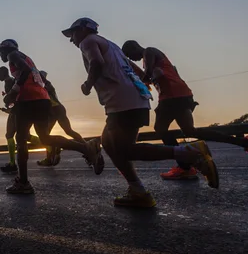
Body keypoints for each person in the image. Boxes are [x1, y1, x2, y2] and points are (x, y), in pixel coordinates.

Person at [62, 17, 218, 207]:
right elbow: (135, 69)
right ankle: (137, 190)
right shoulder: (113, 46)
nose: (71, 39)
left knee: (125, 149)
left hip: (123, 101)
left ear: (85, 30)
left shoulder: (88, 41)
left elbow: (96, 63)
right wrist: (145, 83)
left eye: (73, 34)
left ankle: (189, 152)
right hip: (132, 99)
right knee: (110, 144)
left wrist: (88, 84)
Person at [122, 40, 248, 180]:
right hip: (180, 94)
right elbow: (171, 72)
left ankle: (185, 166)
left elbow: (149, 74)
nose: (131, 58)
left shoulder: (148, 52)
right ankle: (243, 142)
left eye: (129, 55)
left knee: (160, 128)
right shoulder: (151, 58)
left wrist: (133, 76)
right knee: (190, 131)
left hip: (171, 96)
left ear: (134, 47)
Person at [0, 39, 103, 195]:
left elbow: (25, 71)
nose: (1, 56)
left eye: (1, 53)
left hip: (28, 101)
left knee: (21, 140)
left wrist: (13, 92)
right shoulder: (25, 57)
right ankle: (86, 147)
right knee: (45, 138)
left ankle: (23, 182)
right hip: (42, 100)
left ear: (6, 50)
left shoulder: (13, 55)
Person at [37, 70, 92, 168]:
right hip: (57, 109)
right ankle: (86, 147)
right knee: (66, 132)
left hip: (54, 110)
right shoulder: (46, 85)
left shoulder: (46, 85)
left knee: (48, 136)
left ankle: (52, 156)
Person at [0, 67, 41, 173]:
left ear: (3, 73)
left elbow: (14, 98)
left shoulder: (9, 82)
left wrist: (9, 109)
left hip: (16, 111)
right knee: (26, 136)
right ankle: (50, 146)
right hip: (20, 110)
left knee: (9, 135)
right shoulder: (11, 81)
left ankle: (12, 164)